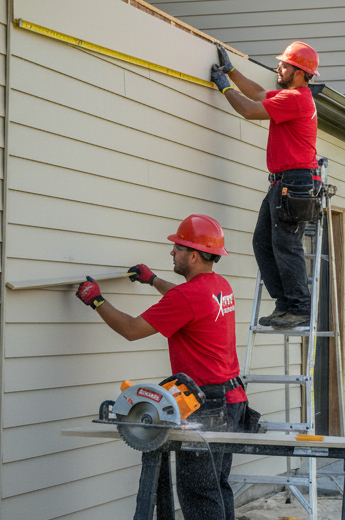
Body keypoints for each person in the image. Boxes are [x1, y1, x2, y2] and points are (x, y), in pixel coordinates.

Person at [72, 214, 245, 520]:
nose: (171, 253)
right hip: (232, 400)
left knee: (199, 493)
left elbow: (131, 329)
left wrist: (97, 300)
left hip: (206, 406)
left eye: (177, 248)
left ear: (193, 255)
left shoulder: (187, 296)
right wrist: (152, 280)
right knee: (216, 486)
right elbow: (183, 301)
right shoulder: (218, 286)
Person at [210, 42, 320, 328]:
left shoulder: (295, 99)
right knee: (263, 242)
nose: (278, 68)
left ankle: (300, 307)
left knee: (285, 246)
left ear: (299, 72)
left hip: (294, 182)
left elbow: (249, 109)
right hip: (283, 183)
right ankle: (285, 305)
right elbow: (258, 94)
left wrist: (223, 86)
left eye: (284, 65)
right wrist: (232, 72)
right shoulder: (289, 95)